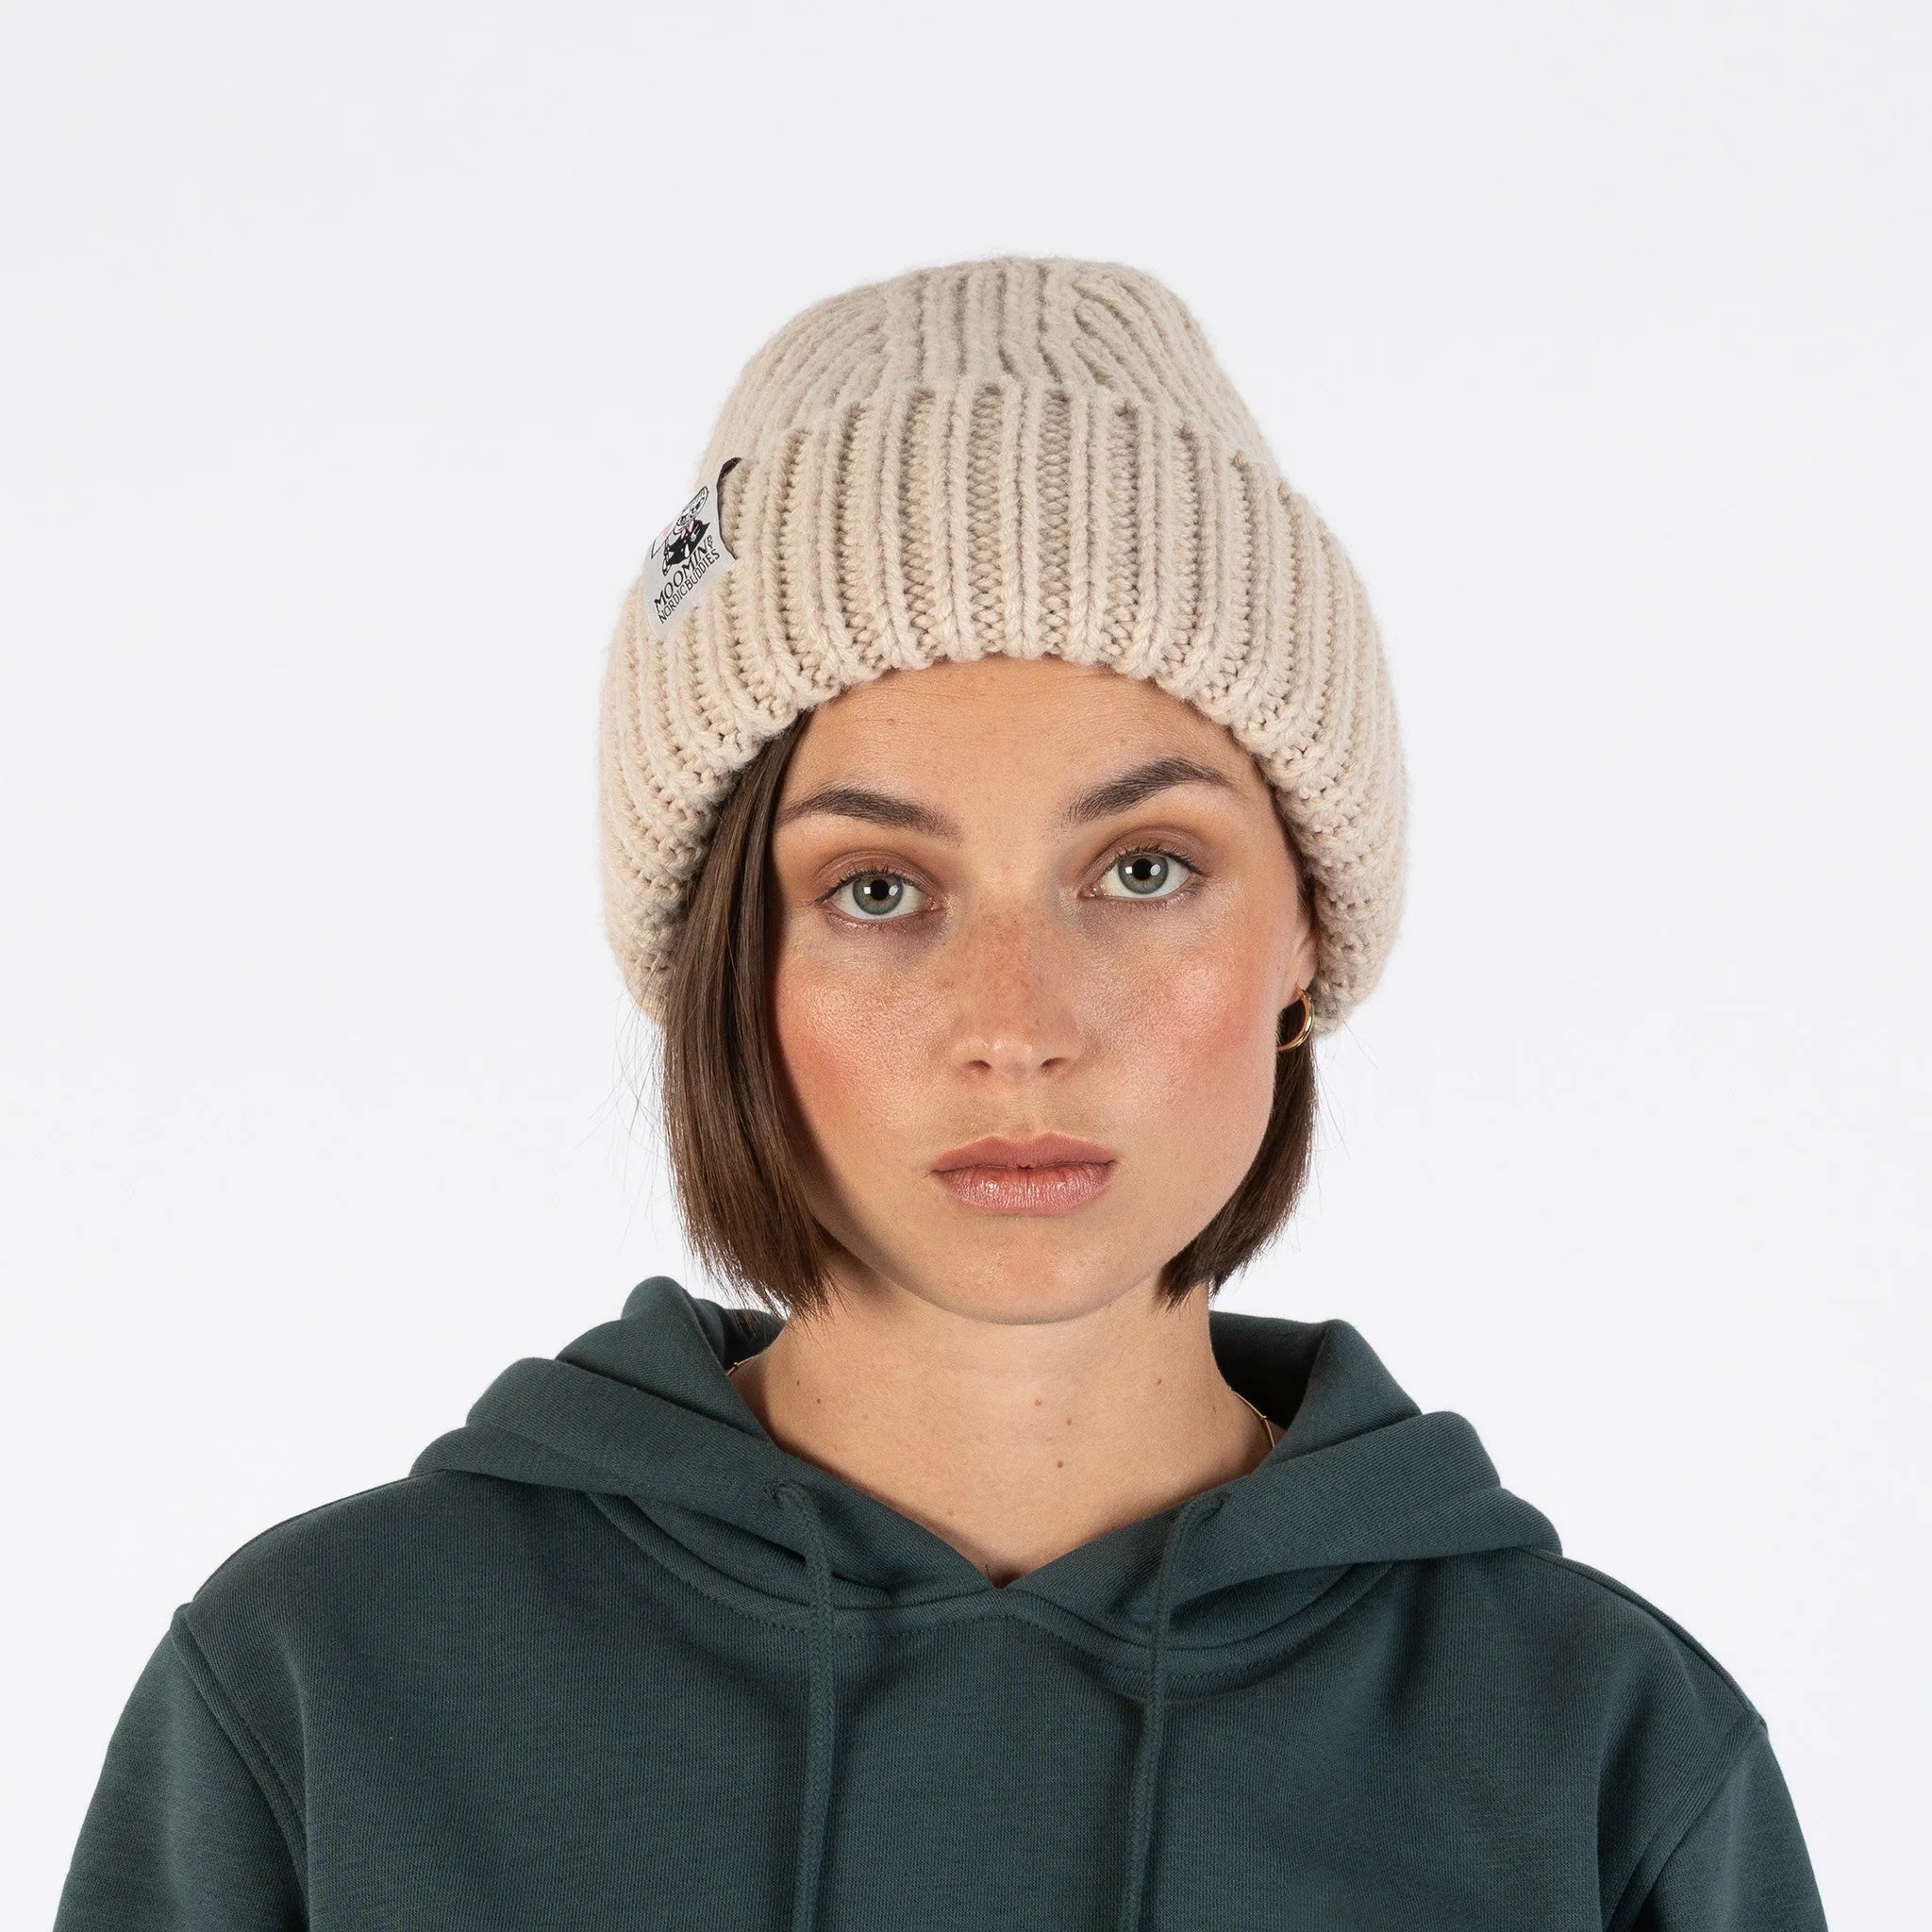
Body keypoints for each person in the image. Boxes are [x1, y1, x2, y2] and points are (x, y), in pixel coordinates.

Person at [52, 256, 1829, 1931]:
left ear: (1308, 932)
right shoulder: (324, 1686)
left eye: (1145, 869)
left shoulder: (1601, 1749)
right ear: (724, 971)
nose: (1017, 1027)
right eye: (879, 889)